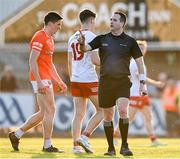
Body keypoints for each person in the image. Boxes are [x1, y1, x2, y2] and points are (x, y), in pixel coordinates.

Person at [78, 11, 147, 156]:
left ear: (122, 23)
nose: (111, 22)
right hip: (105, 83)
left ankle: (125, 146)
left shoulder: (130, 41)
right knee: (108, 116)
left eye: (114, 20)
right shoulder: (101, 39)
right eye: (110, 19)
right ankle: (110, 148)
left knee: (122, 110)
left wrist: (142, 83)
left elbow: (140, 63)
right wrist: (82, 43)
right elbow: (85, 49)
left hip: (122, 82)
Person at [8, 12, 67, 152]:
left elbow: (50, 64)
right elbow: (32, 61)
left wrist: (59, 80)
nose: (59, 28)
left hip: (45, 78)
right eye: (58, 24)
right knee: (50, 110)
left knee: (43, 113)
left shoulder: (50, 39)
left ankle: (16, 135)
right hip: (40, 78)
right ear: (51, 23)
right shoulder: (39, 36)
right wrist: (39, 82)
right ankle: (47, 145)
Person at [113, 40, 165, 146]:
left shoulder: (140, 61)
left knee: (148, 116)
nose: (141, 50)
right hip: (135, 94)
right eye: (139, 48)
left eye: (143, 48)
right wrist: (156, 83)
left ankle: (153, 140)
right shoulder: (134, 62)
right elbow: (140, 77)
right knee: (129, 118)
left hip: (142, 94)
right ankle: (114, 136)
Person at [68, 9, 103, 154]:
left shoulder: (72, 37)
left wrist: (72, 78)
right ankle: (84, 136)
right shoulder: (92, 36)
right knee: (103, 110)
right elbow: (95, 60)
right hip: (89, 79)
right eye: (94, 22)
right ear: (92, 21)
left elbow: (69, 61)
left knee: (78, 115)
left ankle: (76, 146)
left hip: (75, 79)